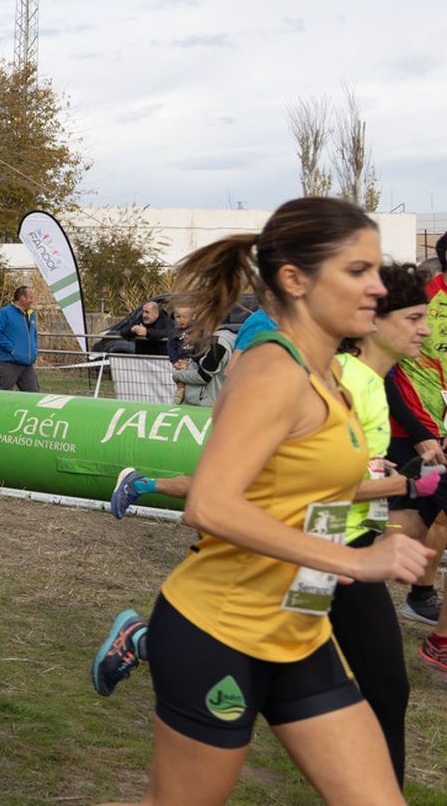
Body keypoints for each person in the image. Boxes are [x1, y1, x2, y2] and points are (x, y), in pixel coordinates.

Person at [100, 197, 429, 806]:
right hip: (218, 630)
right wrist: (355, 563)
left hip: (298, 632)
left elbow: (308, 498)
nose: (377, 288)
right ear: (295, 279)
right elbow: (212, 506)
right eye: (358, 271)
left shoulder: (332, 377)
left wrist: (383, 517)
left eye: (377, 270)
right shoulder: (273, 369)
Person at [0, 286, 39, 391]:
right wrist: (12, 349)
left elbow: (34, 334)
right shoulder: (4, 313)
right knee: (4, 395)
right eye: (30, 297)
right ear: (22, 298)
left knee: (33, 395)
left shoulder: (31, 314)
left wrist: (34, 350)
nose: (32, 300)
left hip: (27, 365)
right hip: (9, 363)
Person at [101, 299, 178, 356]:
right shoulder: (141, 319)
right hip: (142, 359)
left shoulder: (166, 320)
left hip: (160, 359)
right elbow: (123, 331)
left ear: (156, 313)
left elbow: (167, 332)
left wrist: (147, 332)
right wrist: (132, 330)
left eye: (147, 312)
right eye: (143, 312)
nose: (144, 315)